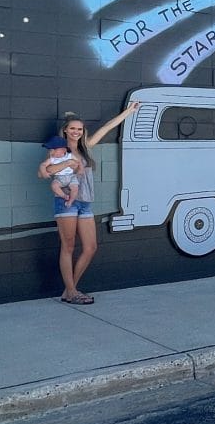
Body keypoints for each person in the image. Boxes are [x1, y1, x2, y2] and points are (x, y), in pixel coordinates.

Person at [38, 101, 141, 304]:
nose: (76, 132)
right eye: (72, 128)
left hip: (85, 203)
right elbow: (45, 173)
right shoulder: (59, 150)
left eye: (79, 129)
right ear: (65, 130)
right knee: (68, 247)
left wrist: (129, 111)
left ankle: (70, 291)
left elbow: (106, 127)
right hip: (67, 203)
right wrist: (67, 163)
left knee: (91, 247)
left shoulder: (85, 148)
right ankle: (73, 292)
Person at [41, 136, 79, 206]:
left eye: (54, 149)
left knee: (75, 188)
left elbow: (78, 162)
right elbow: (43, 165)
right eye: (50, 149)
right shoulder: (52, 159)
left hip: (71, 177)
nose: (51, 151)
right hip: (59, 178)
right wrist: (44, 172)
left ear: (64, 150)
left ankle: (70, 201)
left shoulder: (69, 156)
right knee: (54, 185)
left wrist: (79, 168)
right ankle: (64, 196)